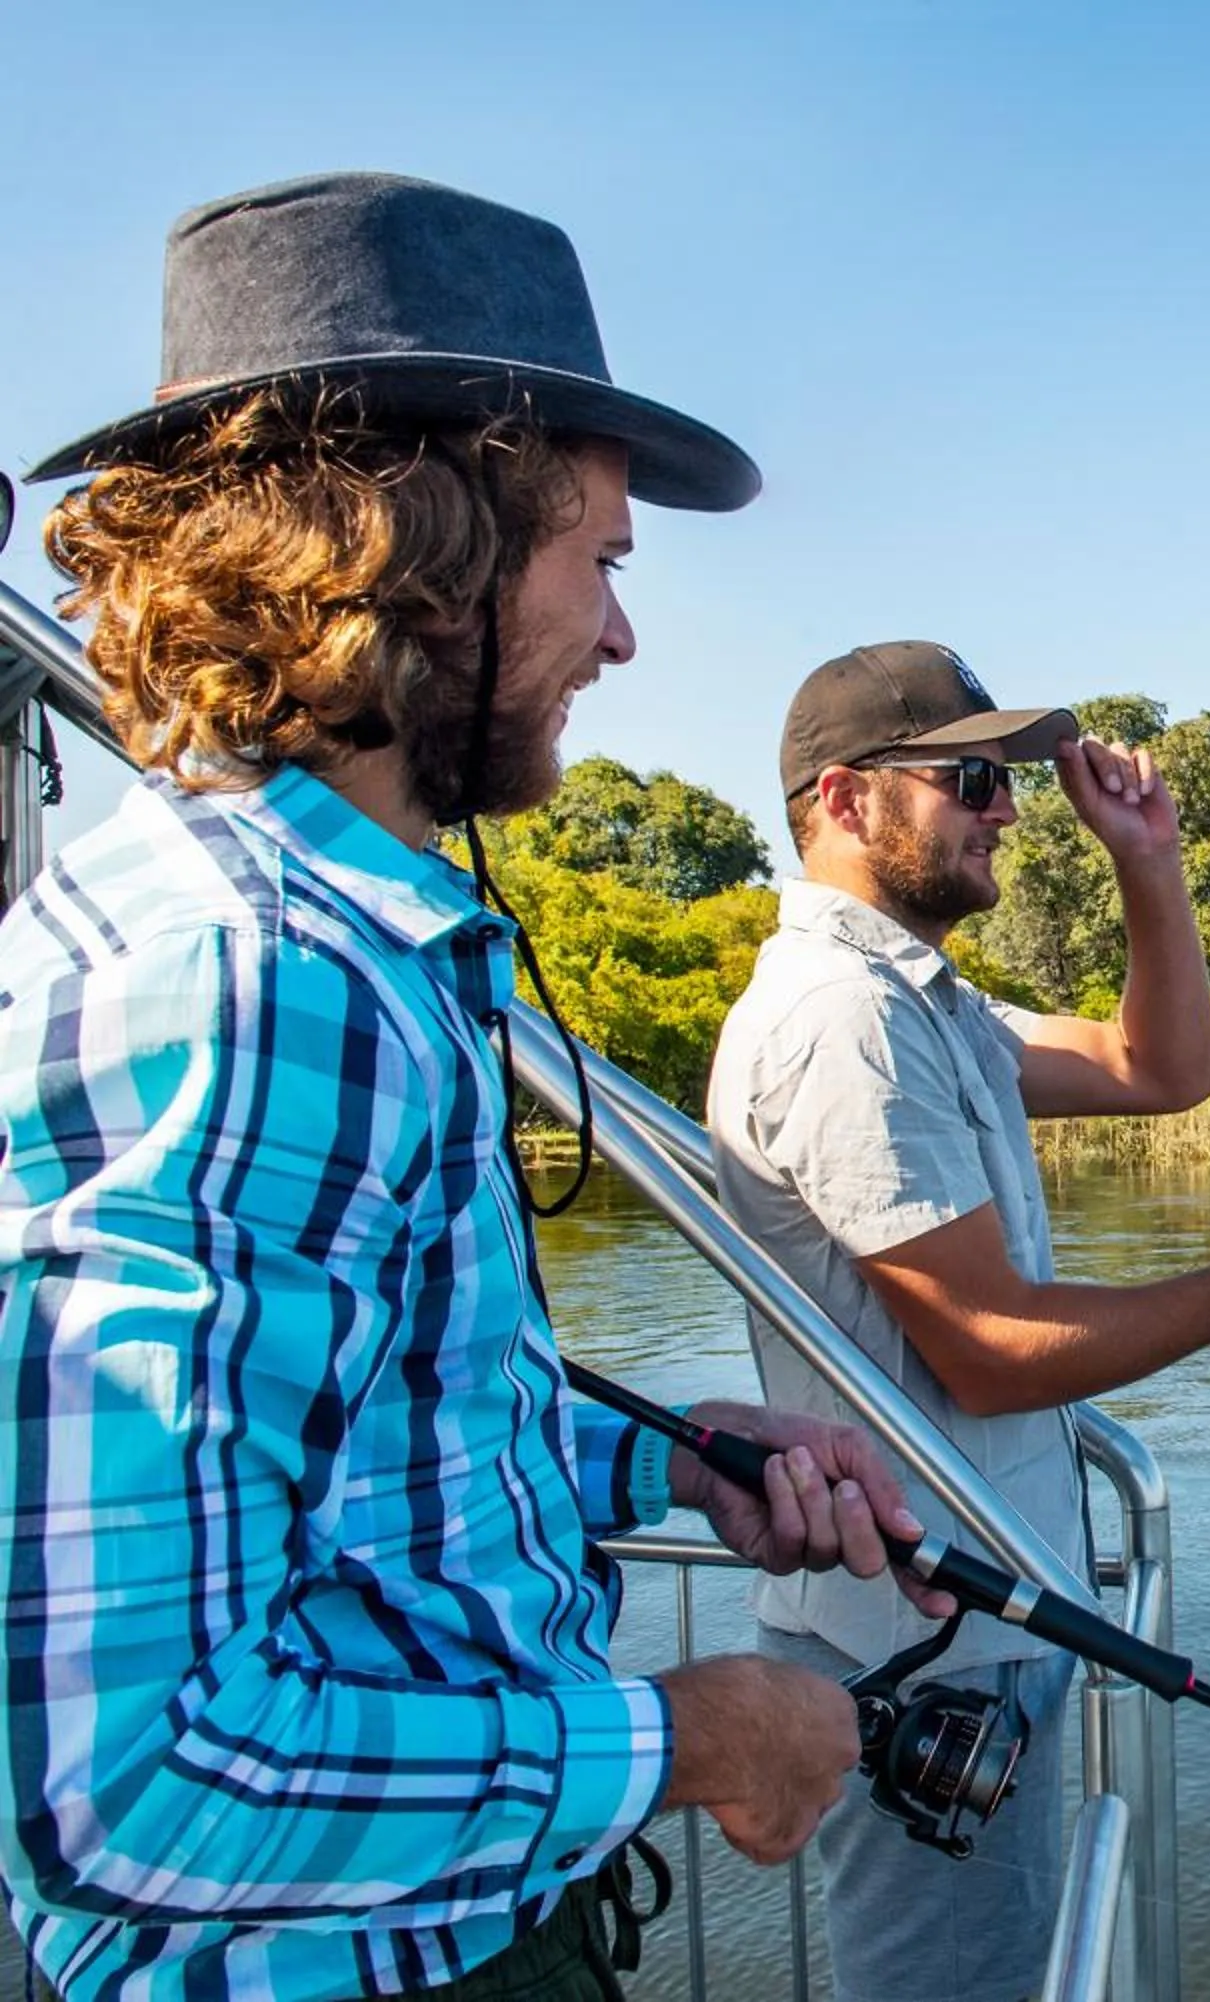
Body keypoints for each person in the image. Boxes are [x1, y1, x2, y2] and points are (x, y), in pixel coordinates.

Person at [0, 173, 953, 2002]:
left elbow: (353, 1460)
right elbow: (116, 1785)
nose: (621, 636)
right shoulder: (236, 979)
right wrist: (689, 1738)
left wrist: (666, 1456)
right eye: (598, 558)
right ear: (416, 554)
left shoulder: (352, 949)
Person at [708, 640, 1210, 2001]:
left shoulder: (927, 1006)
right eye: (973, 779)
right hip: (918, 1648)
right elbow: (987, 1345)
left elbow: (1162, 1067)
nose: (1011, 812)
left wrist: (1147, 858)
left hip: (974, 1626)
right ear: (848, 800)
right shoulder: (840, 1022)